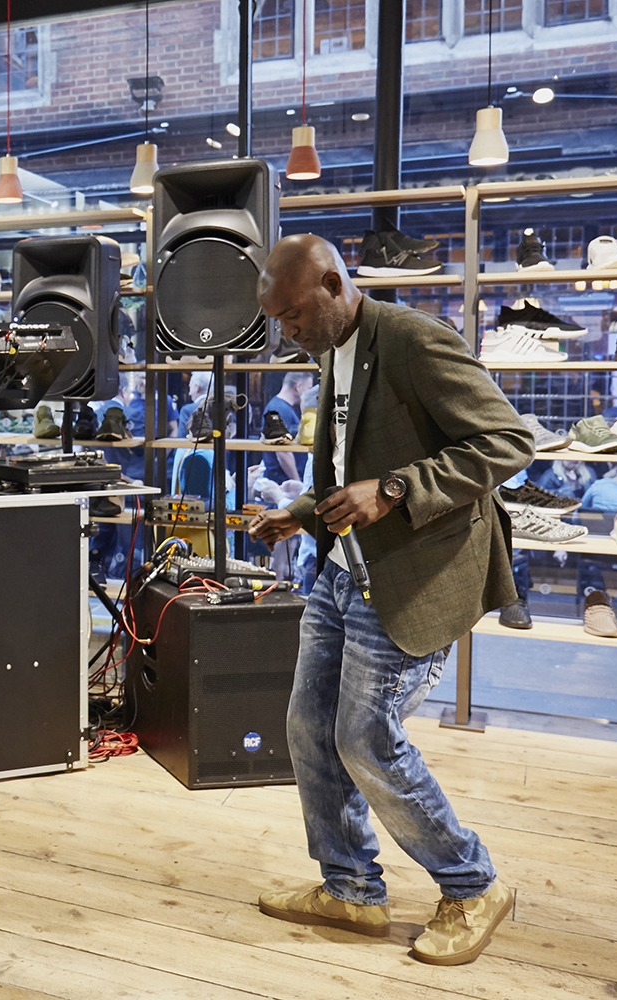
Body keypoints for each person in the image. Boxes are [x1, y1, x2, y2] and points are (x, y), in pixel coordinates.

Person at [248, 234, 533, 966]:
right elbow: (354, 459)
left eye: (293, 314)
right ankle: (350, 888)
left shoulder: (412, 340)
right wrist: (305, 511)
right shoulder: (333, 349)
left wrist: (399, 488)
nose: (287, 332)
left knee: (366, 738)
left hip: (411, 572)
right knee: (310, 728)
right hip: (344, 569)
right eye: (277, 320)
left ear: (334, 284)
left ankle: (474, 885)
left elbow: (507, 441)